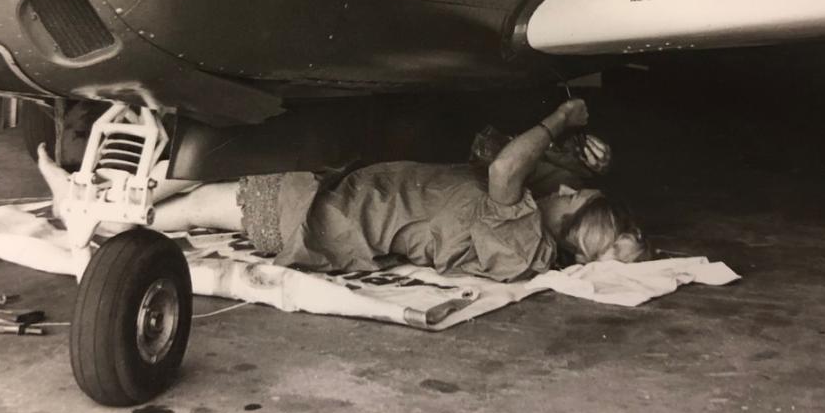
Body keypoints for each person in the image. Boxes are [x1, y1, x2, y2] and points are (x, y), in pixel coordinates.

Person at [38, 98, 649, 283]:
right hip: (342, 206)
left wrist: (559, 123)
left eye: (575, 194)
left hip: (325, 215)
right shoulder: (533, 236)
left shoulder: (521, 234)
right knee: (205, 196)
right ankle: (104, 205)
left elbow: (503, 172)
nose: (567, 187)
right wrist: (589, 163)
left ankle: (88, 213)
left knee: (199, 203)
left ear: (572, 216)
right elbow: (502, 162)